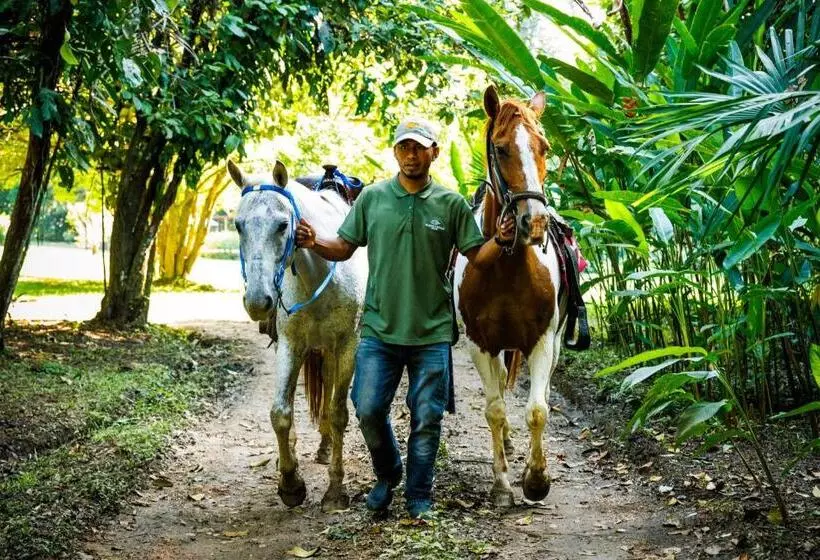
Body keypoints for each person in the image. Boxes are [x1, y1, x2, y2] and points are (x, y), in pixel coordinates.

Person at [295, 117, 515, 518]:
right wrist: (315, 242)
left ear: (433, 151)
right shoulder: (373, 199)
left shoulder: (449, 204)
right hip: (380, 331)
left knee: (427, 417)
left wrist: (498, 242)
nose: (411, 154)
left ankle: (418, 495)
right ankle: (388, 472)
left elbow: (476, 258)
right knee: (367, 408)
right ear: (395, 152)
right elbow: (344, 247)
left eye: (418, 147)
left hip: (431, 333)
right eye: (403, 147)